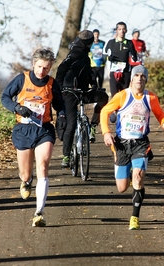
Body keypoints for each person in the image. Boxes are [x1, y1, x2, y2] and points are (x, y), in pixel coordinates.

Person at [100, 65, 164, 230]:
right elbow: (104, 112)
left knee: (138, 177)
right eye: (137, 75)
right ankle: (131, 177)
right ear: (132, 78)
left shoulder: (151, 98)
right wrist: (106, 133)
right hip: (121, 144)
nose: (139, 78)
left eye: (143, 76)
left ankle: (134, 217)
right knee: (122, 187)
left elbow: (159, 114)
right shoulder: (122, 96)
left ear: (146, 79)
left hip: (141, 143)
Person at [1, 48, 65, 227]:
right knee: (25, 173)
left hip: (44, 130)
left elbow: (60, 105)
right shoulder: (22, 79)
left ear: (50, 67)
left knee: (43, 167)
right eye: (39, 67)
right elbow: (5, 97)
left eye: (46, 68)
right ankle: (26, 181)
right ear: (33, 64)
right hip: (23, 129)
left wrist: (61, 116)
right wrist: (17, 108)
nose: (41, 71)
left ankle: (39, 213)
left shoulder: (52, 84)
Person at [56, 30, 109, 168]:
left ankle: (92, 126)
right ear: (88, 43)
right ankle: (66, 156)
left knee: (103, 97)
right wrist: (60, 87)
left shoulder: (84, 53)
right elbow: (62, 68)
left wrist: (95, 85)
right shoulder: (76, 52)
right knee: (71, 124)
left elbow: (87, 70)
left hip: (84, 91)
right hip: (69, 93)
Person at [104, 21, 138, 123]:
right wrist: (109, 58)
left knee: (125, 94)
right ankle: (114, 112)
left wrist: (134, 56)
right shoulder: (111, 42)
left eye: (123, 29)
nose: (122, 31)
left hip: (126, 73)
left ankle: (124, 115)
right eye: (120, 29)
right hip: (114, 72)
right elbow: (104, 55)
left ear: (126, 31)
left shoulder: (129, 43)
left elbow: (135, 57)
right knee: (114, 95)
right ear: (116, 30)